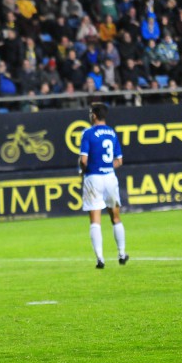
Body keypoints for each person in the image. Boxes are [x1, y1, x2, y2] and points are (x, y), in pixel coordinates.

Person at [78, 103, 129, 269]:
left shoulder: (88, 133)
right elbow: (119, 161)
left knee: (95, 220)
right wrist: (105, 166)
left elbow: (83, 160)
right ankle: (122, 253)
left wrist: (83, 170)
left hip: (94, 178)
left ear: (93, 115)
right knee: (115, 217)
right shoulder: (112, 132)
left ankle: (100, 258)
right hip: (110, 178)